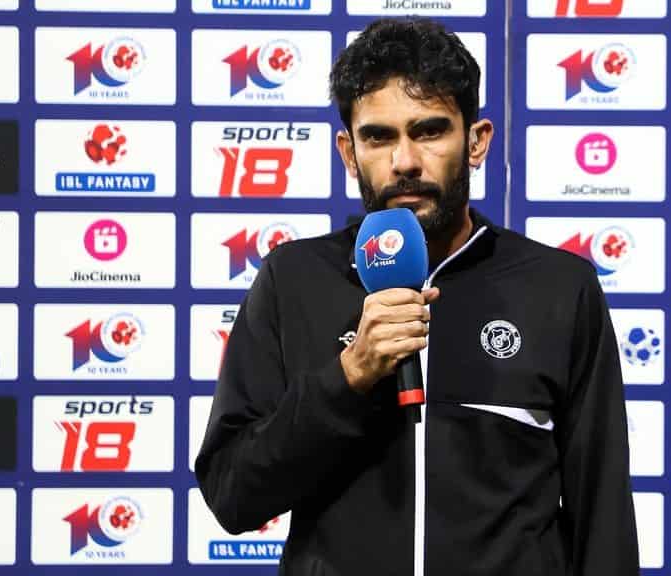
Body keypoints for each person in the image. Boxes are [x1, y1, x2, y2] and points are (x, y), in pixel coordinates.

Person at [195, 17, 639, 576]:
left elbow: (602, 514)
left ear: (476, 141)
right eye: (378, 137)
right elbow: (233, 495)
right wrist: (348, 377)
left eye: (429, 131)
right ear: (349, 152)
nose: (404, 161)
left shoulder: (558, 286)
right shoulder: (293, 279)